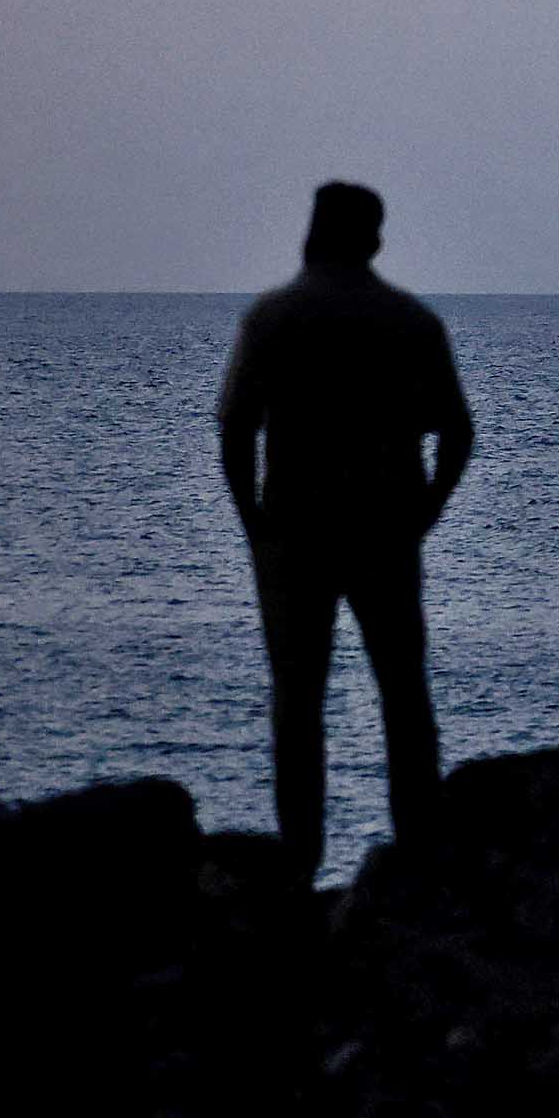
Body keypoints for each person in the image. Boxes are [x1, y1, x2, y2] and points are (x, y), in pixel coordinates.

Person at [218, 182, 474, 876]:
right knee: (403, 693)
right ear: (375, 239)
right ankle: (419, 853)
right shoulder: (412, 323)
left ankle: (299, 864)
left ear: (312, 232)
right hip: (386, 531)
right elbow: (457, 432)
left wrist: (253, 523)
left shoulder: (273, 318)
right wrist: (425, 515)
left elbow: (236, 425)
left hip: (294, 533)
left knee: (297, 703)